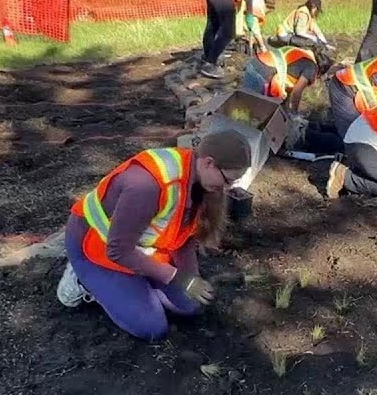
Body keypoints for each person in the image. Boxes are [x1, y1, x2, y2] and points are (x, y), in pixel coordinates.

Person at [56, 131, 252, 342]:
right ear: (208, 163)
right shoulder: (147, 185)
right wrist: (179, 278)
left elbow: (183, 238)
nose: (226, 188)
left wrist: (191, 277)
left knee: (191, 306)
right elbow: (118, 250)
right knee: (152, 326)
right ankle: (80, 279)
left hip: (140, 248)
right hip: (96, 248)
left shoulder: (198, 181)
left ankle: (133, 286)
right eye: (227, 180)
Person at [241, 44, 334, 113]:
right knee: (259, 112)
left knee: (245, 104)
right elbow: (297, 92)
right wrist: (294, 113)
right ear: (320, 71)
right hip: (265, 72)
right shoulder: (312, 68)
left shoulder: (301, 53)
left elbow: (289, 90)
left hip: (254, 63)